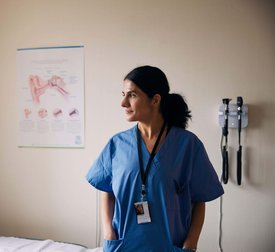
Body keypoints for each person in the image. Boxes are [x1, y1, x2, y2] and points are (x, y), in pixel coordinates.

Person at [86, 65, 224, 252]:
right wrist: (108, 233)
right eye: (123, 94)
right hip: (124, 246)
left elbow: (199, 199)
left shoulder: (187, 145)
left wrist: (191, 243)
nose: (123, 103)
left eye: (132, 95)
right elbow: (106, 190)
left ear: (155, 99)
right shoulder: (117, 144)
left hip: (170, 246)